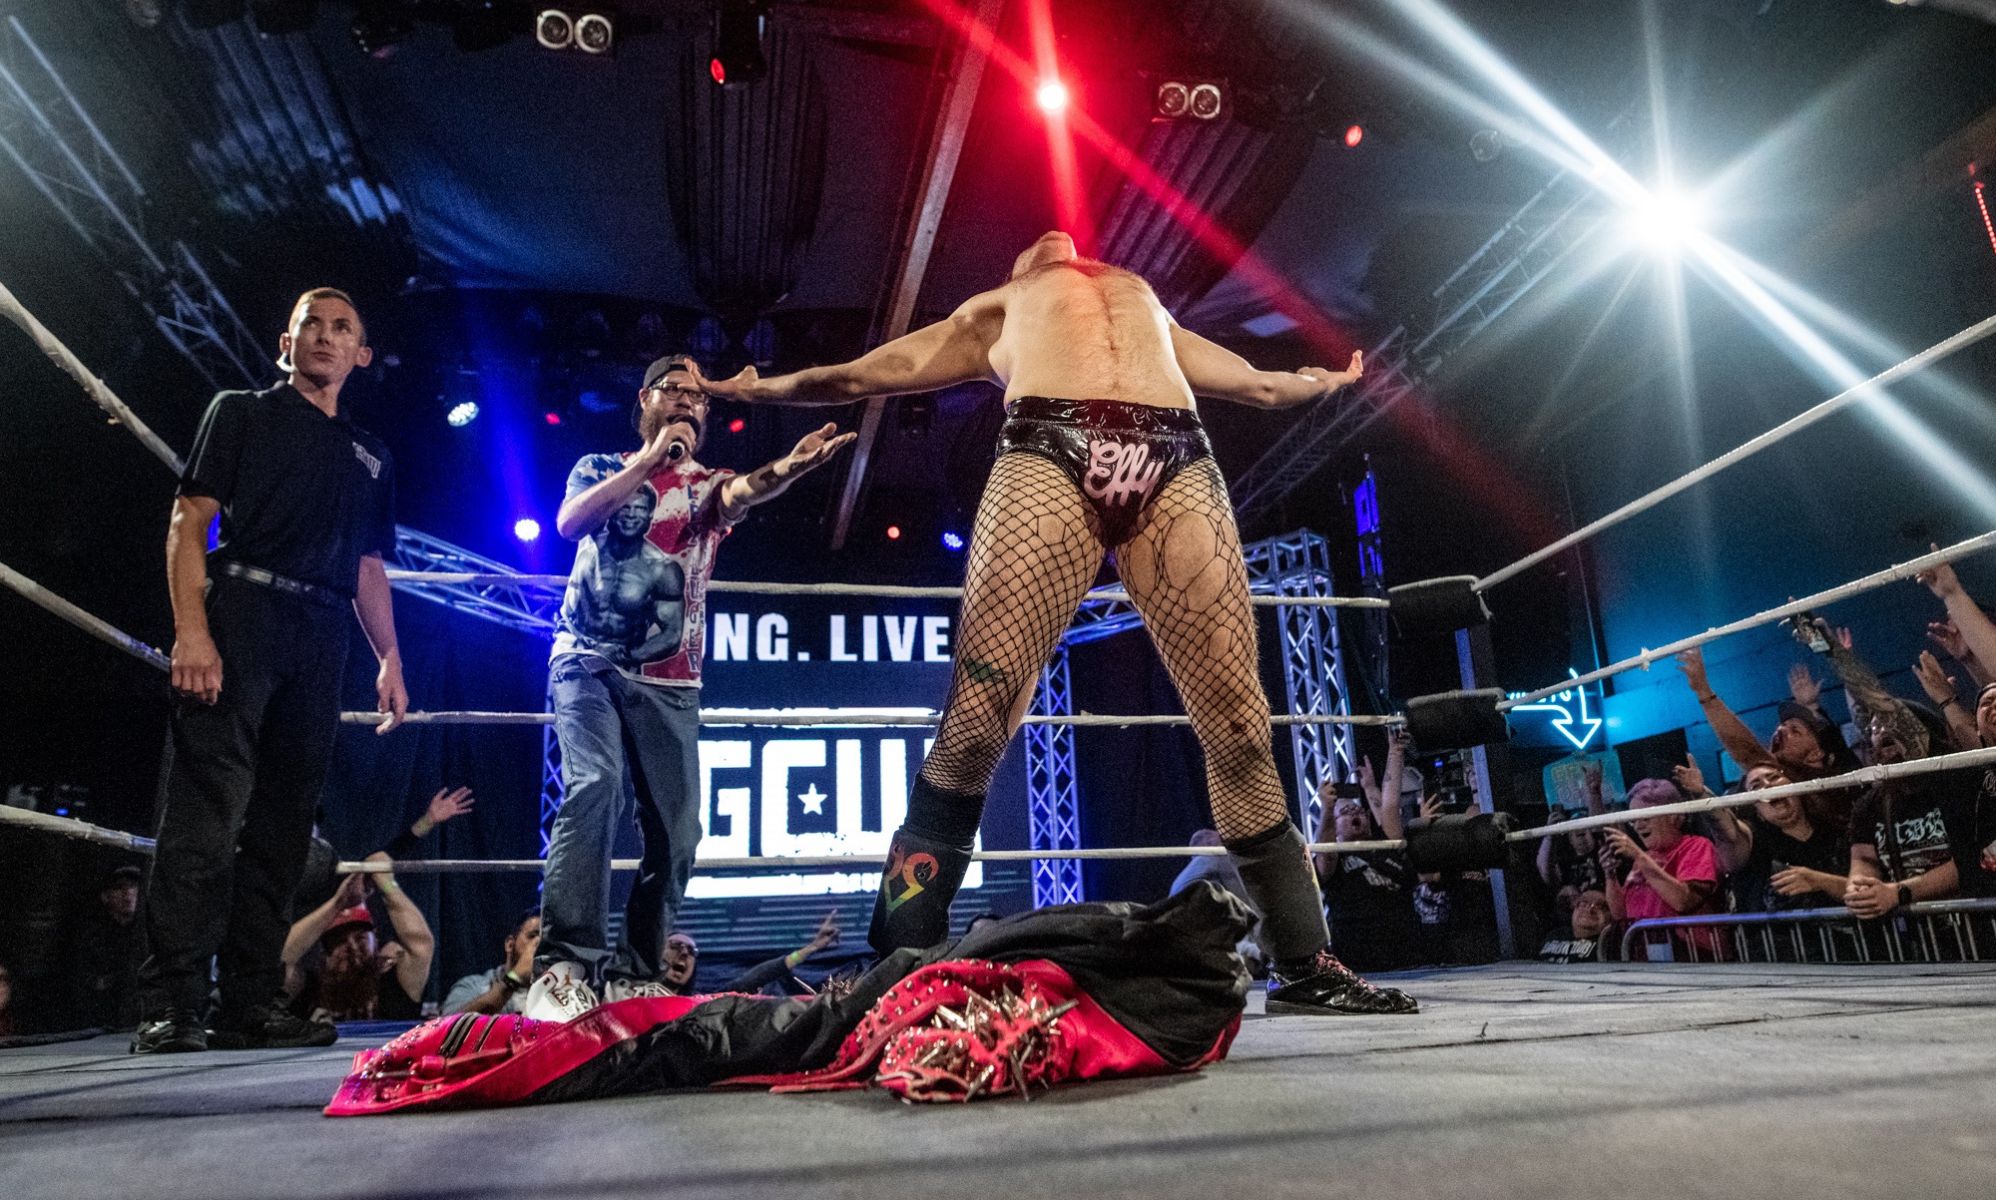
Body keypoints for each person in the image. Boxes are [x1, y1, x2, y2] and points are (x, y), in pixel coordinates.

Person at [694, 230, 1412, 1015]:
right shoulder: (1004, 305)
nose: (1058, 239)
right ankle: (894, 968)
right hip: (1049, 446)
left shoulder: (1146, 302)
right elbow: (868, 372)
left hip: (1175, 454)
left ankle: (1305, 964)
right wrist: (766, 390)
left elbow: (1257, 385)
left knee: (1239, 724)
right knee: (976, 724)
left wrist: (1318, 381)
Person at [533, 354, 856, 1015]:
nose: (687, 400)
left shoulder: (708, 485)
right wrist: (650, 462)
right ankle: (564, 966)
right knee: (596, 785)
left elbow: (745, 493)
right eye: (674, 389)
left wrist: (791, 468)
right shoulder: (601, 467)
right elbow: (570, 523)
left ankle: (634, 971)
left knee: (680, 832)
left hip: (671, 680)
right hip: (588, 661)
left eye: (699, 395)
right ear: (645, 399)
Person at [134, 288, 409, 1055]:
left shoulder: (371, 454)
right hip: (243, 613)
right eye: (310, 325)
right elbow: (190, 518)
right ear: (286, 343)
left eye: (341, 327)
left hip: (322, 634)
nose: (324, 336)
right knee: (206, 815)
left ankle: (248, 1002)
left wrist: (391, 655)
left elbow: (368, 565)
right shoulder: (240, 413)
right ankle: (171, 1002)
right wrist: (193, 631)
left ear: (361, 354)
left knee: (285, 828)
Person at [1311, 730, 1423, 973]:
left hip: (1405, 950)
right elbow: (1325, 851)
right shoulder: (1335, 856)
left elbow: (1390, 804)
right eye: (1345, 812)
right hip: (1358, 956)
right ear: (1336, 827)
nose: (1354, 812)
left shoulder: (1385, 844)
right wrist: (1328, 809)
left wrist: (1396, 752)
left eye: (1359, 810)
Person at [281, 852, 433, 1024]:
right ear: (325, 949)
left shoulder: (394, 982)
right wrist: (338, 903)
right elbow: (281, 958)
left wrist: (386, 882)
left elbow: (420, 943)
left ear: (375, 940)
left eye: (361, 938)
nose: (353, 947)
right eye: (340, 941)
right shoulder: (309, 987)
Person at [1689, 759, 1847, 912]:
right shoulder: (1753, 839)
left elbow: (1860, 889)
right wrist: (1702, 794)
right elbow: (1728, 832)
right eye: (1756, 786)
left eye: (1774, 777)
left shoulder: (1836, 832)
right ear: (1756, 809)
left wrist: (1822, 881)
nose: (1767, 784)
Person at [1604, 778, 1727, 961]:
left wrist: (1640, 857)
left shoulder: (1697, 847)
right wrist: (1610, 875)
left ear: (1673, 816)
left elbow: (1683, 901)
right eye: (1633, 820)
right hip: (1649, 958)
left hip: (1695, 958)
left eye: (1645, 817)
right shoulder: (1644, 858)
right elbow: (1620, 914)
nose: (1638, 826)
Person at [66, 864, 143, 1030]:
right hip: (101, 1022)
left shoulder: (147, 933)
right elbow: (85, 984)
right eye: (119, 887)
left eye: (133, 886)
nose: (128, 893)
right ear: (105, 896)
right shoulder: (91, 937)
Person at [442, 910, 541, 1016]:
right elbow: (449, 1024)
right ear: (510, 945)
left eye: (544, 941)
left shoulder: (549, 992)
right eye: (532, 936)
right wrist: (514, 978)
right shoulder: (474, 986)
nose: (539, 946)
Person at [1537, 889, 1610, 963]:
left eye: (1599, 906)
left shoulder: (1609, 945)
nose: (1589, 909)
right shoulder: (1554, 935)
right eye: (1583, 903)